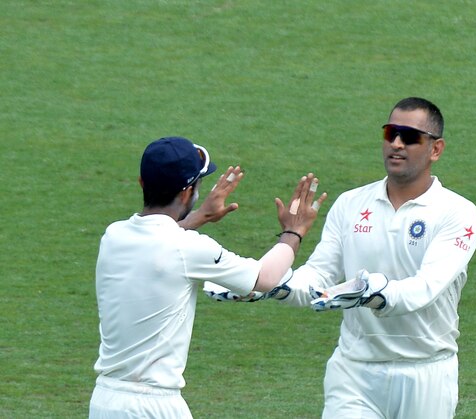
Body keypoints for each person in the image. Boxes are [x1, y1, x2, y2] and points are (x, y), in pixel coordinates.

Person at [207, 97, 476, 418]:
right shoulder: (351, 204)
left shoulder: (458, 213)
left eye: (409, 137)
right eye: (390, 132)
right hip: (355, 373)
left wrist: (370, 291)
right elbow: (317, 280)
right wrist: (267, 284)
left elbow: (424, 289)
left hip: (425, 373)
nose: (396, 143)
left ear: (436, 149)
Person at [88, 136, 327, 418]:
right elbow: (265, 277)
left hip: (104, 400)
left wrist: (198, 217)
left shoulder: (113, 235)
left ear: (142, 182)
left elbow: (161, 243)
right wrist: (293, 231)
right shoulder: (189, 247)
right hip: (154, 406)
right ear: (188, 192)